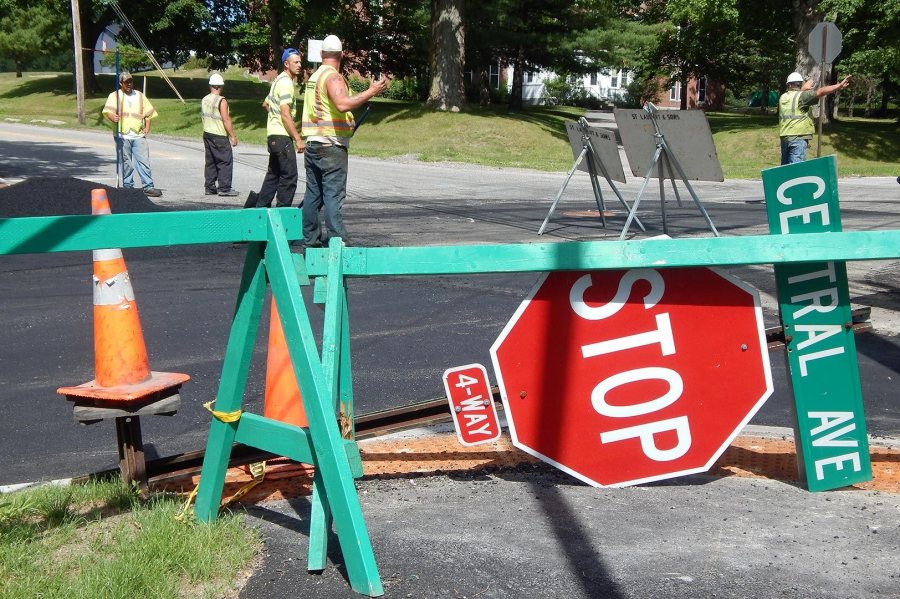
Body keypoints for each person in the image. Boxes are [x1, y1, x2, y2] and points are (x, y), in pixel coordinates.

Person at [300, 35, 387, 247]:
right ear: (342, 54)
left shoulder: (315, 77)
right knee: (333, 195)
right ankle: (338, 241)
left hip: (313, 143)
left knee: (313, 194)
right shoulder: (333, 77)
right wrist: (371, 91)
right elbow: (342, 104)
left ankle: (310, 239)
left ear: (321, 54)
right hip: (331, 146)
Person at [247, 48, 305, 208]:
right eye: (296, 62)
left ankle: (259, 210)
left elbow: (266, 104)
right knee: (290, 176)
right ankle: (282, 214)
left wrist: (275, 117)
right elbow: (285, 114)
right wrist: (298, 139)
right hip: (282, 137)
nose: (300, 65)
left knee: (273, 175)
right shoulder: (286, 83)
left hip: (272, 135)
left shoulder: (278, 81)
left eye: (300, 62)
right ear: (286, 64)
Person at [102, 71, 162, 197]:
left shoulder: (139, 95)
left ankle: (148, 187)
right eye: (126, 82)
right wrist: (113, 117)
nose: (129, 84)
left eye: (131, 81)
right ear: (120, 83)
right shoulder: (114, 96)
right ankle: (128, 187)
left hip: (138, 135)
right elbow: (108, 111)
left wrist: (147, 128)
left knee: (144, 161)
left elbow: (149, 113)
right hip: (122, 135)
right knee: (126, 163)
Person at [778, 71, 851, 165]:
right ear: (800, 84)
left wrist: (803, 88)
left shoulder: (783, 97)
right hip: (798, 138)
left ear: (788, 85)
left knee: (785, 169)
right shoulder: (802, 97)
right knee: (796, 170)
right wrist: (839, 86)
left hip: (785, 137)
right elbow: (821, 91)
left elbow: (796, 96)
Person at [201, 73, 239, 197]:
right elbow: (226, 119)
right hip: (219, 135)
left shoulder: (205, 99)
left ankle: (210, 186)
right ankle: (224, 188)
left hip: (207, 133)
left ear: (210, 86)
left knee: (211, 161)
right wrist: (232, 135)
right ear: (220, 87)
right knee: (225, 161)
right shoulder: (221, 101)